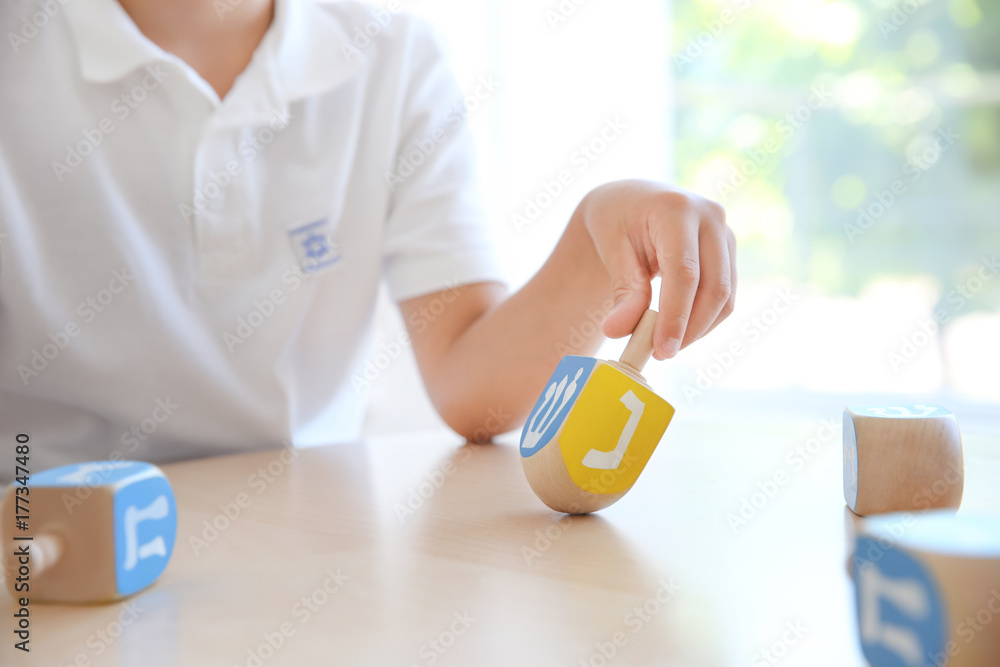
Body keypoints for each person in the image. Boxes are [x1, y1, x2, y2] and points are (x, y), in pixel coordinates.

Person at [0, 0, 735, 479]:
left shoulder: (394, 58)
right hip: (36, 535)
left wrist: (594, 244)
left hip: (302, 527)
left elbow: (473, 390)